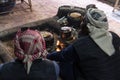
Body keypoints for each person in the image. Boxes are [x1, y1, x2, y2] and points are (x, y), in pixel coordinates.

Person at [47, 8, 120, 80]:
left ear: (88, 26)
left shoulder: (82, 45)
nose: (82, 23)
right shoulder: (114, 36)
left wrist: (47, 55)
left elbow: (62, 55)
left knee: (65, 63)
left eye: (83, 21)